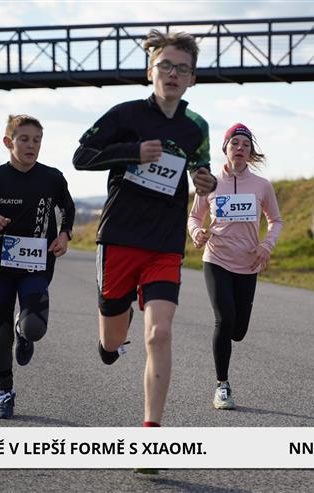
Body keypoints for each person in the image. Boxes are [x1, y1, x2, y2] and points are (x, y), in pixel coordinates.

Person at [73, 29, 217, 434]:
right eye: (165, 66)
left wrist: (207, 181)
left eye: (182, 69)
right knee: (112, 342)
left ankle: (151, 432)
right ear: (150, 72)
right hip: (120, 238)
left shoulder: (196, 126)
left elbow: (201, 168)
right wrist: (131, 153)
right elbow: (81, 156)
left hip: (164, 244)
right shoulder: (125, 115)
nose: (173, 74)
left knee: (159, 334)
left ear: (192, 79)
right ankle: (111, 340)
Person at [0, 114, 75, 419]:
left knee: (34, 328)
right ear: (8, 142)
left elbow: (68, 208)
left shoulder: (52, 178)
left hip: (37, 265)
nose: (31, 145)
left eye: (37, 140)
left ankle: (24, 333)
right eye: (24, 139)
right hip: (0, 265)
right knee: (0, 331)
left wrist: (65, 234)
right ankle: (4, 392)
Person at [188, 123, 282, 410]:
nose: (240, 148)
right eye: (235, 143)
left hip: (248, 263)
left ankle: (228, 345)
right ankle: (222, 386)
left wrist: (266, 246)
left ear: (250, 151)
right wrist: (197, 233)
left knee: (238, 330)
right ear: (225, 148)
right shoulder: (210, 183)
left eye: (246, 144)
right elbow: (194, 217)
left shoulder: (262, 186)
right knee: (224, 319)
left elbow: (275, 220)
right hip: (216, 259)